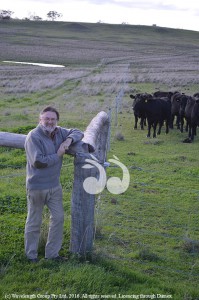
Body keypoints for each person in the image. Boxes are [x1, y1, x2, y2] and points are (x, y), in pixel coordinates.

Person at [24, 106, 84, 262]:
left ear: (57, 121)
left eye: (53, 119)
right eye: (47, 118)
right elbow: (38, 161)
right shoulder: (33, 136)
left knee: (58, 218)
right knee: (34, 221)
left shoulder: (58, 132)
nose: (50, 121)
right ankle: (31, 255)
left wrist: (68, 140)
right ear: (40, 119)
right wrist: (58, 155)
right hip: (37, 186)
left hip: (54, 186)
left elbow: (78, 131)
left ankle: (52, 254)